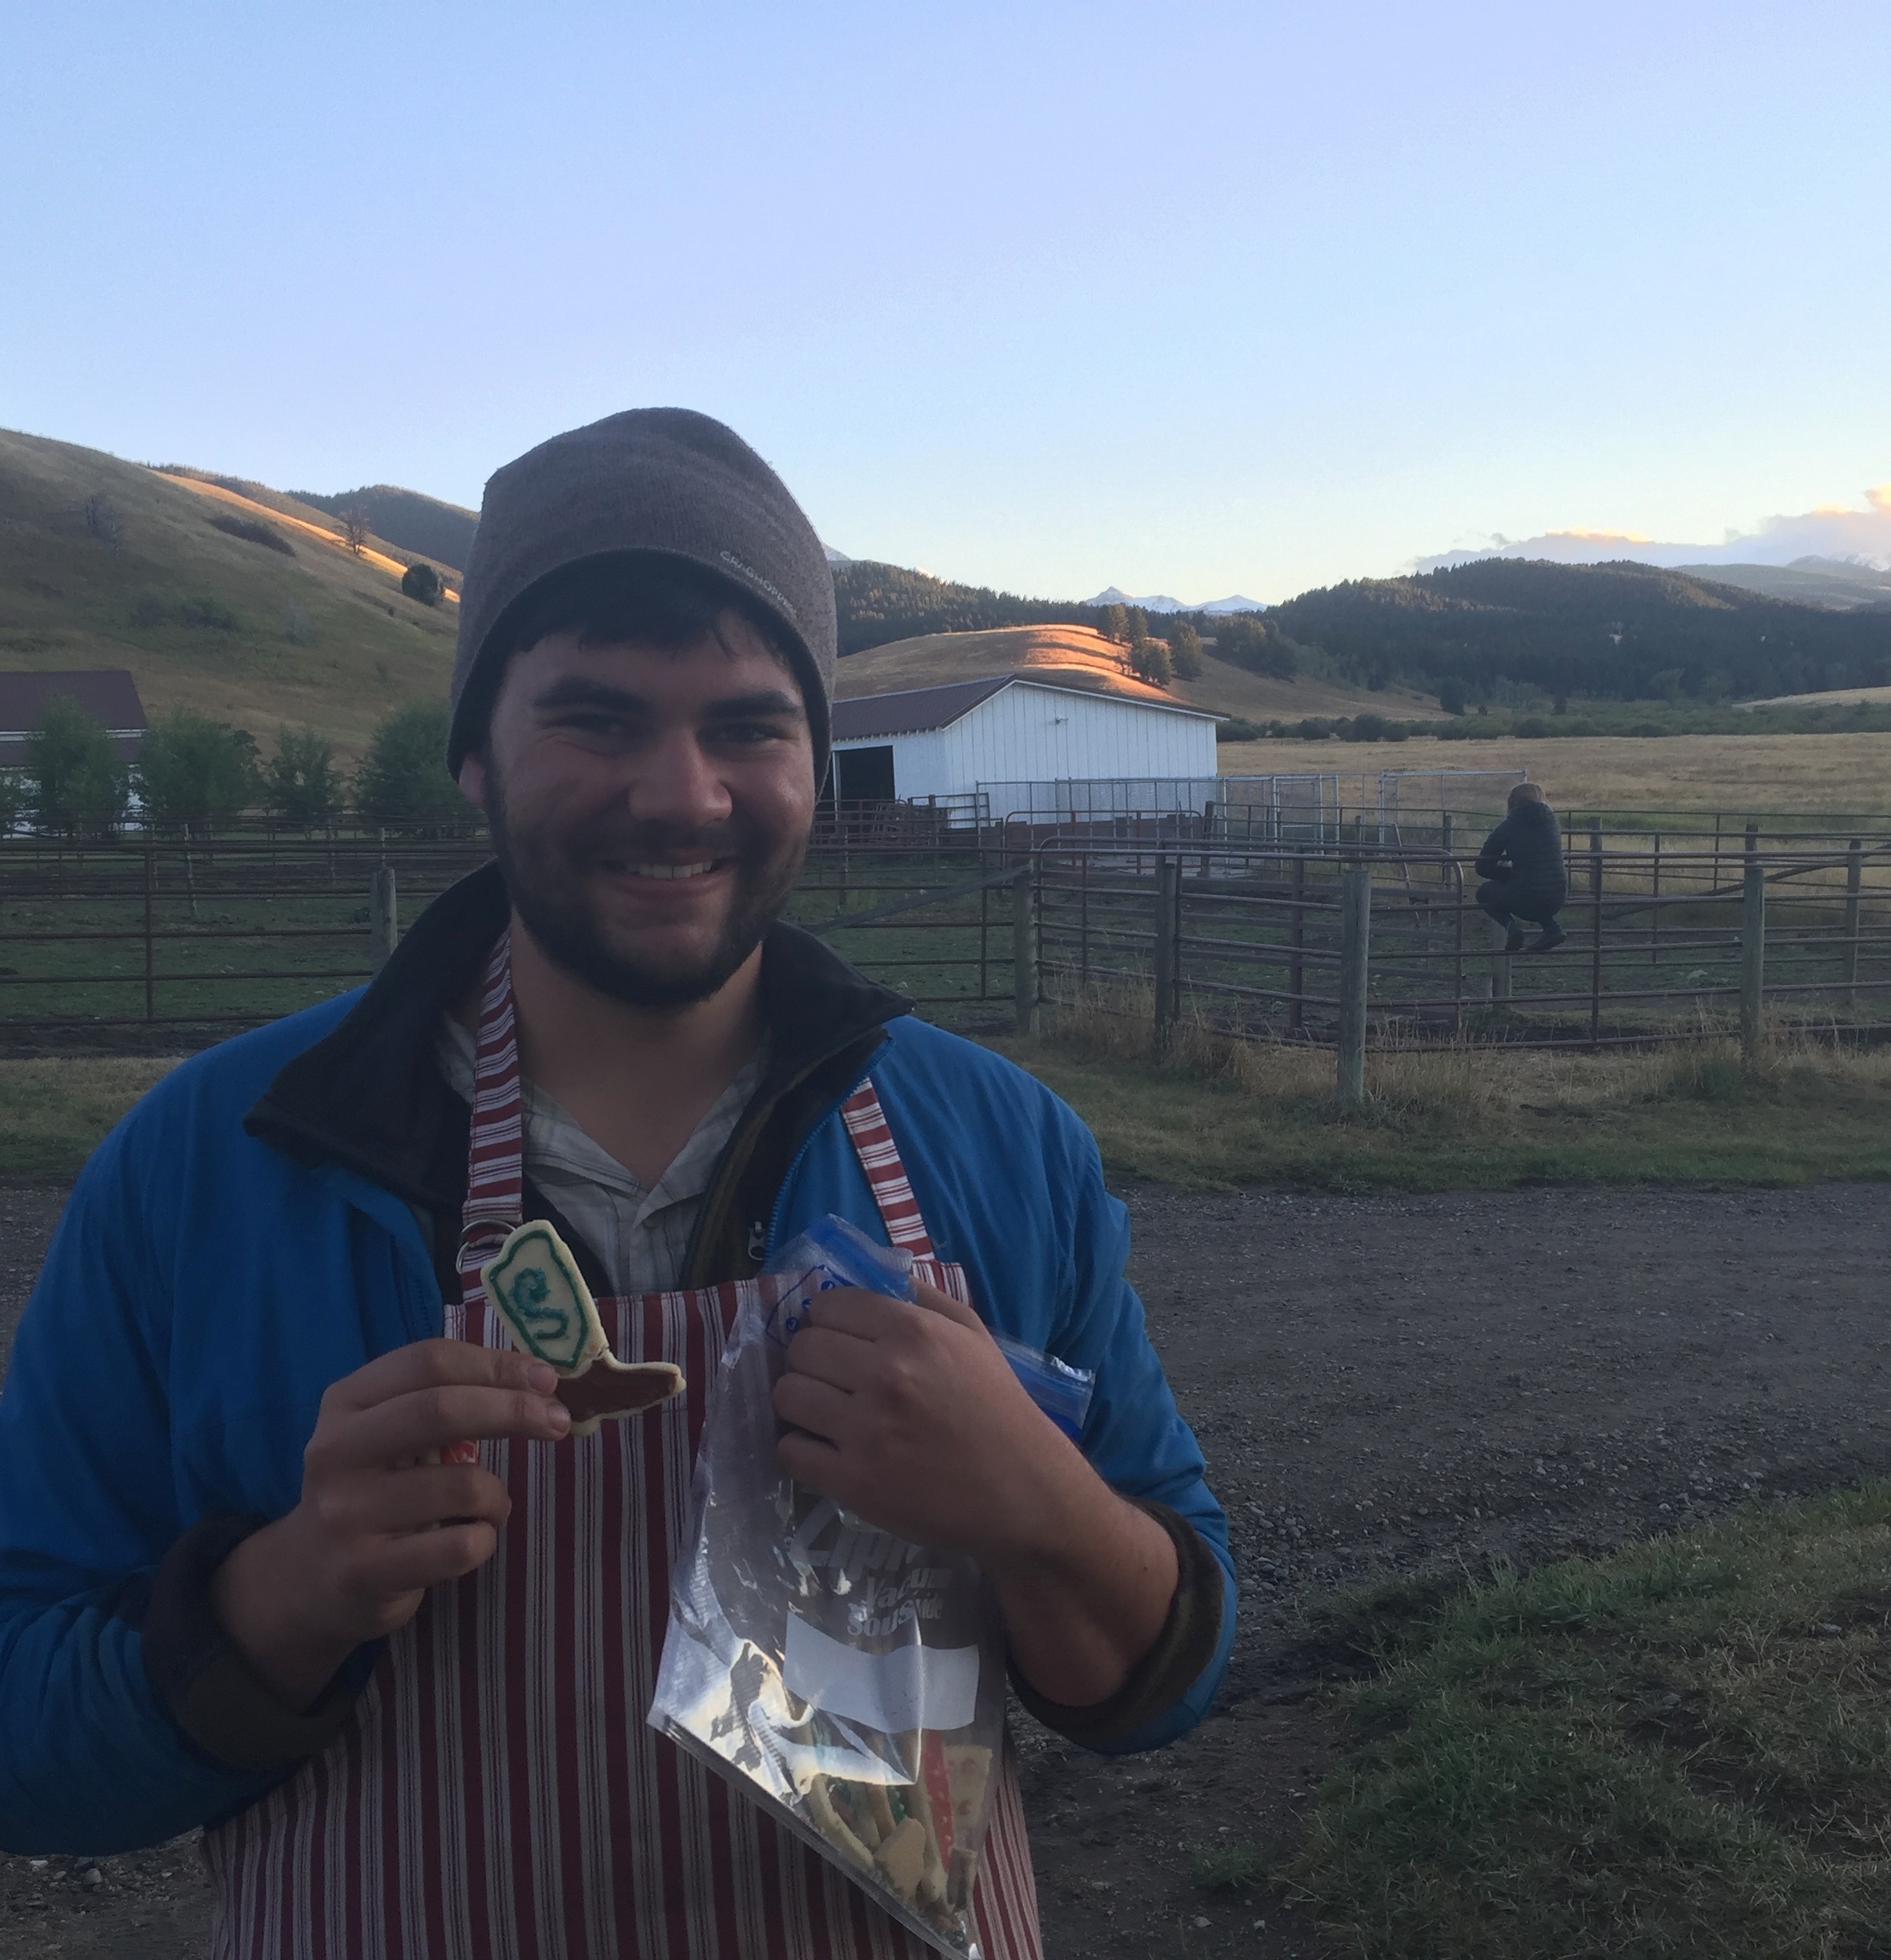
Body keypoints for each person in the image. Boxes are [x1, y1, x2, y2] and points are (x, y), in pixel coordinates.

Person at [0, 410, 1234, 1959]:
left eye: (746, 727)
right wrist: (279, 1598)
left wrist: (1043, 1509)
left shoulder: (999, 1144)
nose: (681, 794)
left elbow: (1172, 1668)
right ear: (473, 750)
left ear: (809, 755)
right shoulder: (207, 1169)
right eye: (595, 718)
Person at [1475, 780, 1568, 953]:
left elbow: (1482, 866)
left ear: (1512, 803)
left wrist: (1509, 874)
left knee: (1484, 893)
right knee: (1537, 886)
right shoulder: (1552, 822)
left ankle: (1512, 929)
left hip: (1525, 898)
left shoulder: (1509, 825)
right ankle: (1552, 927)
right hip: (1558, 897)